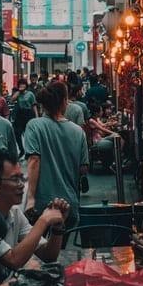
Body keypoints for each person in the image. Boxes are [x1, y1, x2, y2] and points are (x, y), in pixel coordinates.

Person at [0, 149, 69, 271]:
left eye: (22, 178)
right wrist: (43, 220)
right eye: (15, 179)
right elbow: (14, 260)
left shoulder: (14, 212)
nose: (21, 185)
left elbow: (48, 256)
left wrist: (57, 228)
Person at [23, 80, 89, 229]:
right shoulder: (78, 131)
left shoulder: (34, 126)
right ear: (65, 101)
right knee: (60, 248)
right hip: (69, 204)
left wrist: (31, 198)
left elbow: (34, 160)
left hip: (42, 204)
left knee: (40, 248)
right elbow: (83, 169)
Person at [10, 78, 37, 156]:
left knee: (28, 134)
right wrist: (18, 91)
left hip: (28, 113)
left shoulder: (30, 94)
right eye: (20, 84)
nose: (22, 85)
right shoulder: (18, 93)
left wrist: (36, 116)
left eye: (23, 84)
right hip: (20, 114)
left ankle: (29, 151)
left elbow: (34, 105)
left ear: (26, 85)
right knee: (17, 132)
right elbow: (12, 100)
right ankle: (21, 149)